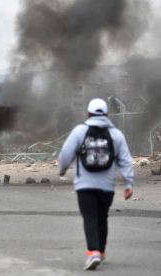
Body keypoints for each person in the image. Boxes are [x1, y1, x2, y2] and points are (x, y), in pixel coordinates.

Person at [58, 98, 133, 270]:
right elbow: (125, 160)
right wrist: (129, 183)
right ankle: (102, 251)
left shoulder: (80, 131)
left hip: (84, 184)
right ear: (106, 114)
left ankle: (93, 252)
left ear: (88, 114)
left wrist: (62, 169)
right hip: (107, 185)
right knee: (102, 217)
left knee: (90, 217)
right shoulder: (116, 134)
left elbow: (66, 153)